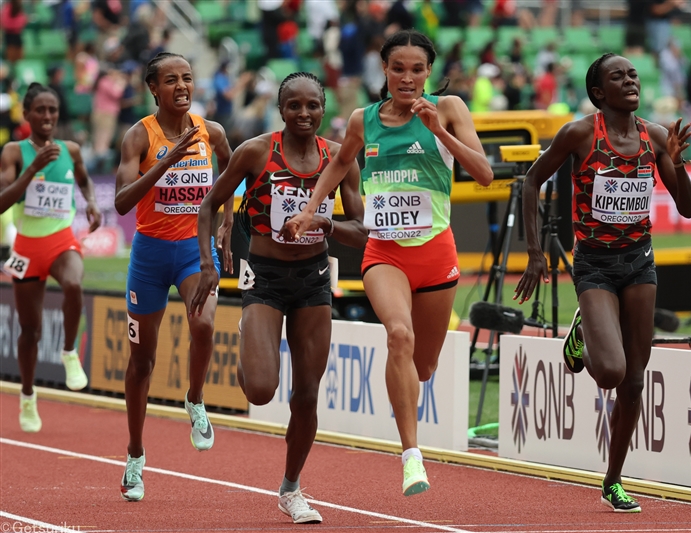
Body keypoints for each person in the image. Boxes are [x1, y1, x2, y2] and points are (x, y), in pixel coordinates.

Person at [281, 30, 493, 497]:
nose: (408, 78)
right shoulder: (363, 120)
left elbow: (483, 174)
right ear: (385, 70)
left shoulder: (451, 108)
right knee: (398, 334)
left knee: (423, 367)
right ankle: (411, 457)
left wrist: (438, 130)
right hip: (385, 254)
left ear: (429, 73)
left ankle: (408, 397)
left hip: (437, 255)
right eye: (399, 68)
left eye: (417, 70)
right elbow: (338, 165)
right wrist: (312, 207)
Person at [513, 53, 691, 512]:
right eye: (618, 76)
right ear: (599, 92)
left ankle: (613, 480)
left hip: (639, 263)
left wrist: (677, 162)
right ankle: (585, 332)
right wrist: (535, 253)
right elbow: (531, 181)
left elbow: (687, 207)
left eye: (633, 74)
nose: (630, 80)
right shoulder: (579, 134)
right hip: (594, 263)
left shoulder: (654, 137)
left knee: (634, 380)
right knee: (611, 372)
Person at [189, 72, 367, 524]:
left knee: (306, 394)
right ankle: (250, 333)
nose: (303, 114)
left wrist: (322, 225)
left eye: (312, 106)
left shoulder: (339, 158)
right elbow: (209, 205)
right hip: (264, 278)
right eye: (294, 106)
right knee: (262, 390)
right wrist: (208, 263)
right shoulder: (255, 152)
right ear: (281, 109)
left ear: (324, 109)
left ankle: (292, 488)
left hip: (313, 278)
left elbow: (362, 233)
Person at [114, 52, 234, 502]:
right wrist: (166, 161)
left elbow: (231, 172)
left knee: (203, 323)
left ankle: (195, 398)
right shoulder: (137, 136)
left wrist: (225, 221)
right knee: (141, 363)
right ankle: (135, 455)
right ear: (153, 88)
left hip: (192, 250)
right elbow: (123, 203)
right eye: (171, 80)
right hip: (148, 254)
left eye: (187, 77)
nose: (182, 86)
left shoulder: (212, 132)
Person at [0, 83, 101, 432]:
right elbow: (2, 201)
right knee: (30, 331)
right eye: (40, 110)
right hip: (27, 249)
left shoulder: (71, 149)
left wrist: (89, 202)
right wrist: (32, 169)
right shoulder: (14, 152)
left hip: (61, 240)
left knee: (74, 284)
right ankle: (28, 396)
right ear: (27, 115)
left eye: (52, 110)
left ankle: (70, 352)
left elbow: (85, 182)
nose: (47, 116)